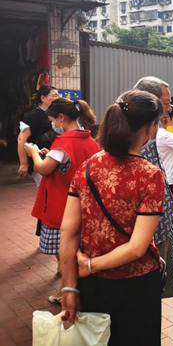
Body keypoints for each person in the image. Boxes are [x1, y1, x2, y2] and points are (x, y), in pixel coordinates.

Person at [60, 90, 165, 345]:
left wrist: (69, 287)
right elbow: (137, 247)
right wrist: (90, 266)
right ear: (149, 127)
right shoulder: (150, 175)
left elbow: (68, 231)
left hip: (92, 286)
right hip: (136, 286)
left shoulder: (87, 167)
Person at [26, 98, 100, 303]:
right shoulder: (89, 140)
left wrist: (34, 153)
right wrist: (49, 155)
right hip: (85, 205)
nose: (53, 125)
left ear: (61, 118)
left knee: (67, 251)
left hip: (63, 206)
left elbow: (43, 168)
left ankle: (67, 290)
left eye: (52, 120)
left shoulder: (64, 142)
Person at [133, 76, 173, 262]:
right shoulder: (135, 134)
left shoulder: (153, 129)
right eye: (166, 103)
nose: (169, 108)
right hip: (148, 228)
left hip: (161, 221)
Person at [17, 84, 59, 180]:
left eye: (58, 96)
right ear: (43, 98)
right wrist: (24, 163)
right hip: (39, 159)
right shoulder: (33, 116)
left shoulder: (56, 114)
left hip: (53, 158)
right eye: (54, 96)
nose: (57, 99)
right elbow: (21, 139)